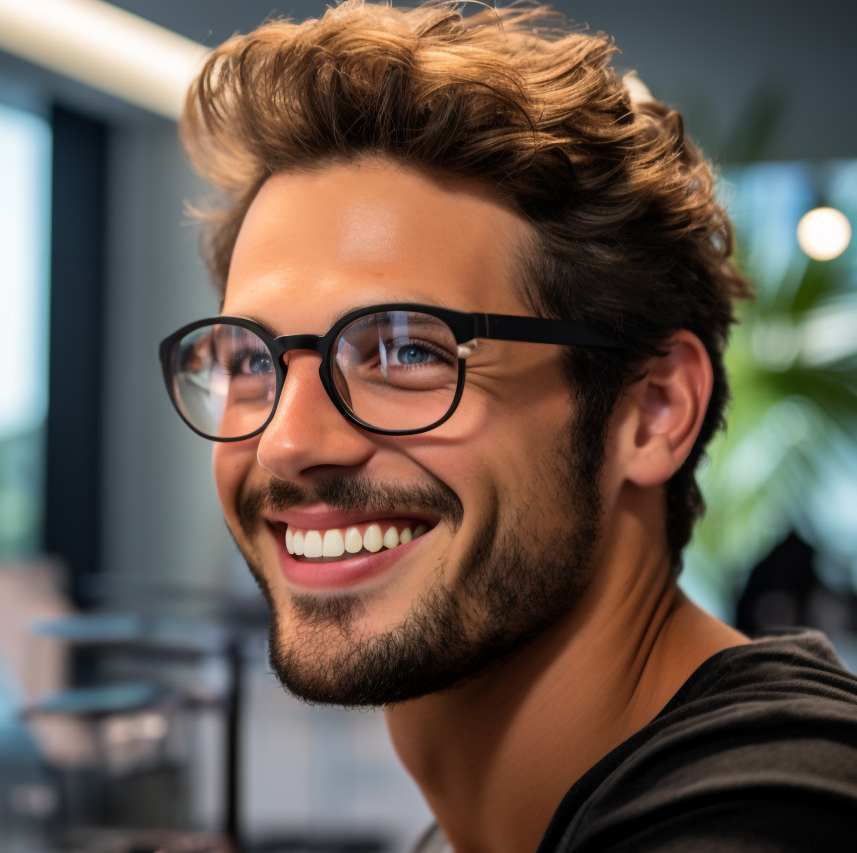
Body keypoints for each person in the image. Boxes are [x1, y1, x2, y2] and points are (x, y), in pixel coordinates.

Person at [156, 2, 857, 851]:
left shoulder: (774, 810)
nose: (288, 443)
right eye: (252, 361)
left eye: (406, 349)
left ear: (653, 408)